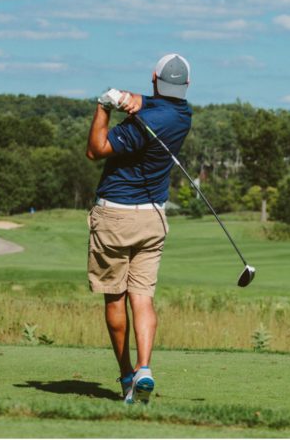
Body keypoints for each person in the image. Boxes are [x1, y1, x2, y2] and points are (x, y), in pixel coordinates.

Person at [85, 54, 193, 403]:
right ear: (186, 85)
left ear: (153, 77)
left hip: (115, 216)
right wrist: (130, 98)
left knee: (115, 296)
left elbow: (96, 150)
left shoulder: (140, 125)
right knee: (142, 298)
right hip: (153, 218)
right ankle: (146, 368)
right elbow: (157, 105)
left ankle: (126, 375)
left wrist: (104, 104)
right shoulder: (183, 114)